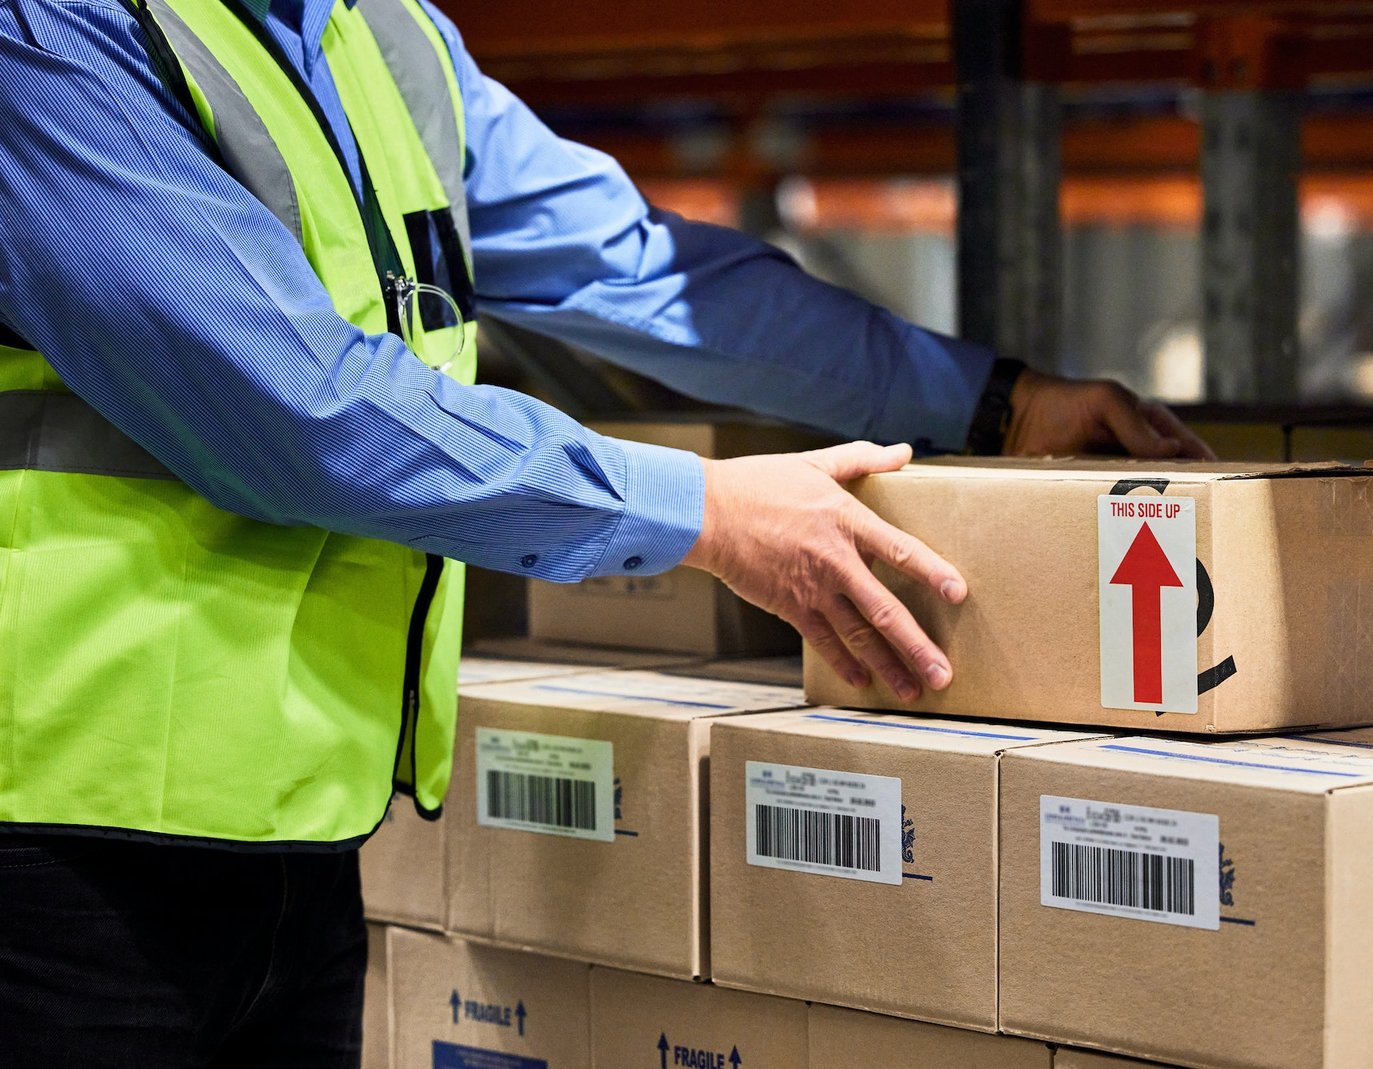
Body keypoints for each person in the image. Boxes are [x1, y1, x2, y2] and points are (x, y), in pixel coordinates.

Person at [0, 0, 1211, 1062]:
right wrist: (702, 510)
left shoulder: (387, 38)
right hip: (58, 847)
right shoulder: (48, 35)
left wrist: (990, 401)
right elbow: (294, 410)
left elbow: (639, 275)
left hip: (300, 826)